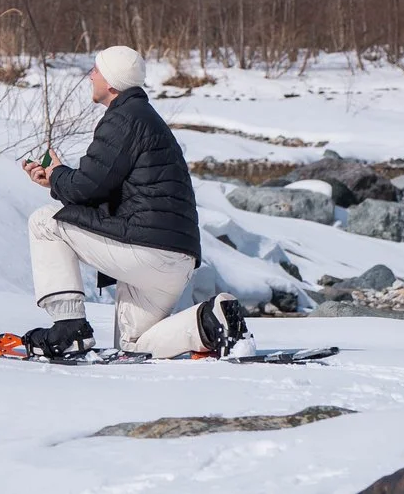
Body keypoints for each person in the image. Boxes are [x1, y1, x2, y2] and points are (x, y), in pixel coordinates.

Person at [21, 45, 247, 359]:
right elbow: (105, 190)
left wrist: (57, 174)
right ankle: (211, 321)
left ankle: (68, 328)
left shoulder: (124, 119)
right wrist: (56, 180)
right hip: (176, 259)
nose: (90, 76)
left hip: (145, 251)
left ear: (112, 81)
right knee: (134, 346)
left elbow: (88, 187)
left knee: (45, 222)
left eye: (96, 70)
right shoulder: (144, 118)